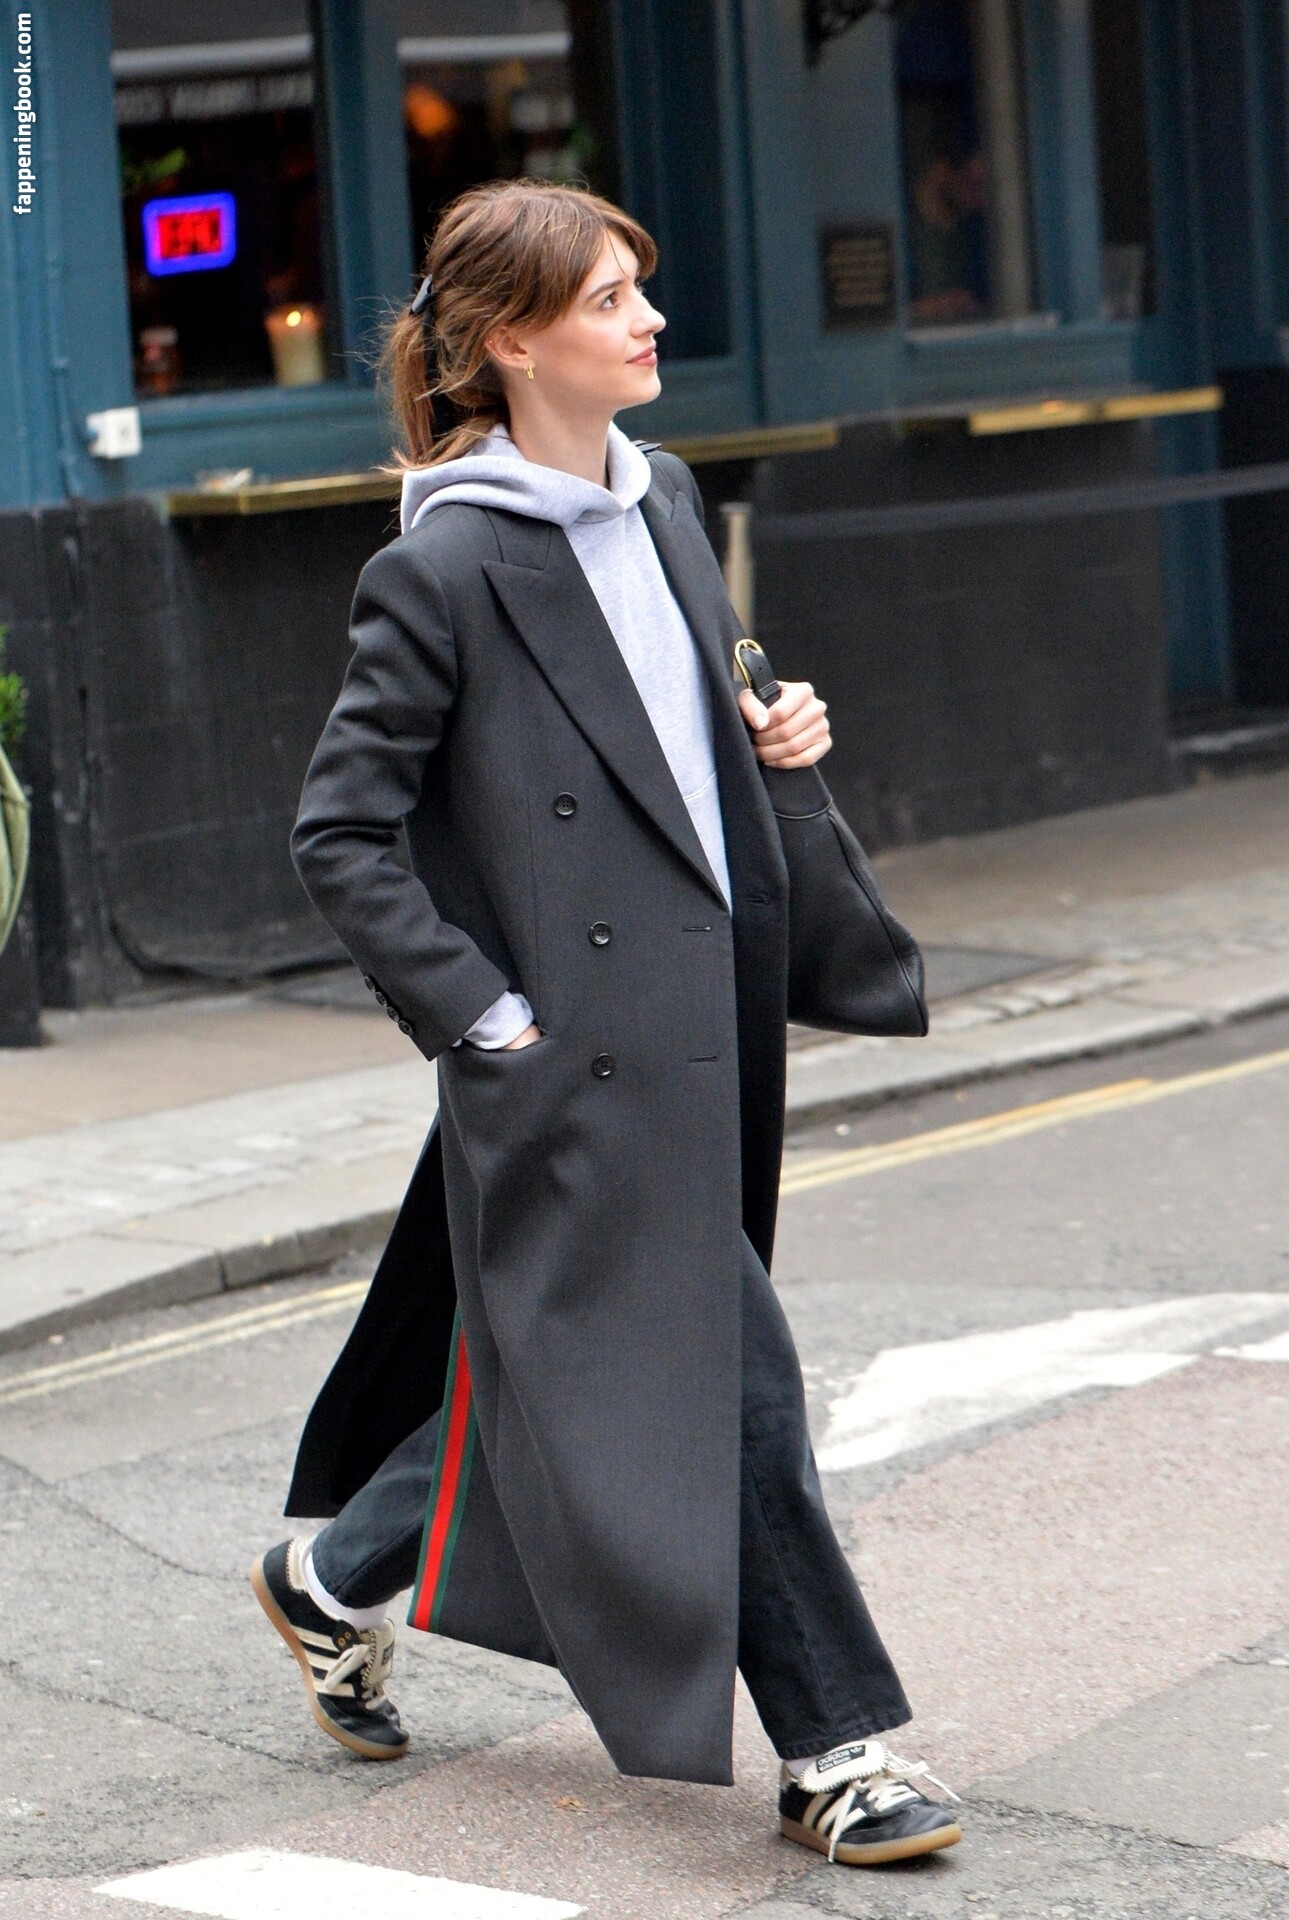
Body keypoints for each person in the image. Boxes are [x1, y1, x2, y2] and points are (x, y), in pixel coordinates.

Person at [250, 178, 961, 1871]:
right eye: (608, 298)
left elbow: (670, 735)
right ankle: (835, 1751)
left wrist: (768, 733)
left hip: (705, 1017)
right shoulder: (441, 564)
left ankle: (332, 1575)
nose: (648, 319)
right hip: (575, 1057)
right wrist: (485, 1019)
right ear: (511, 342)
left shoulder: (665, 499)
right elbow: (339, 833)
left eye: (641, 285)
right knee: (727, 1383)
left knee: (584, 1372)